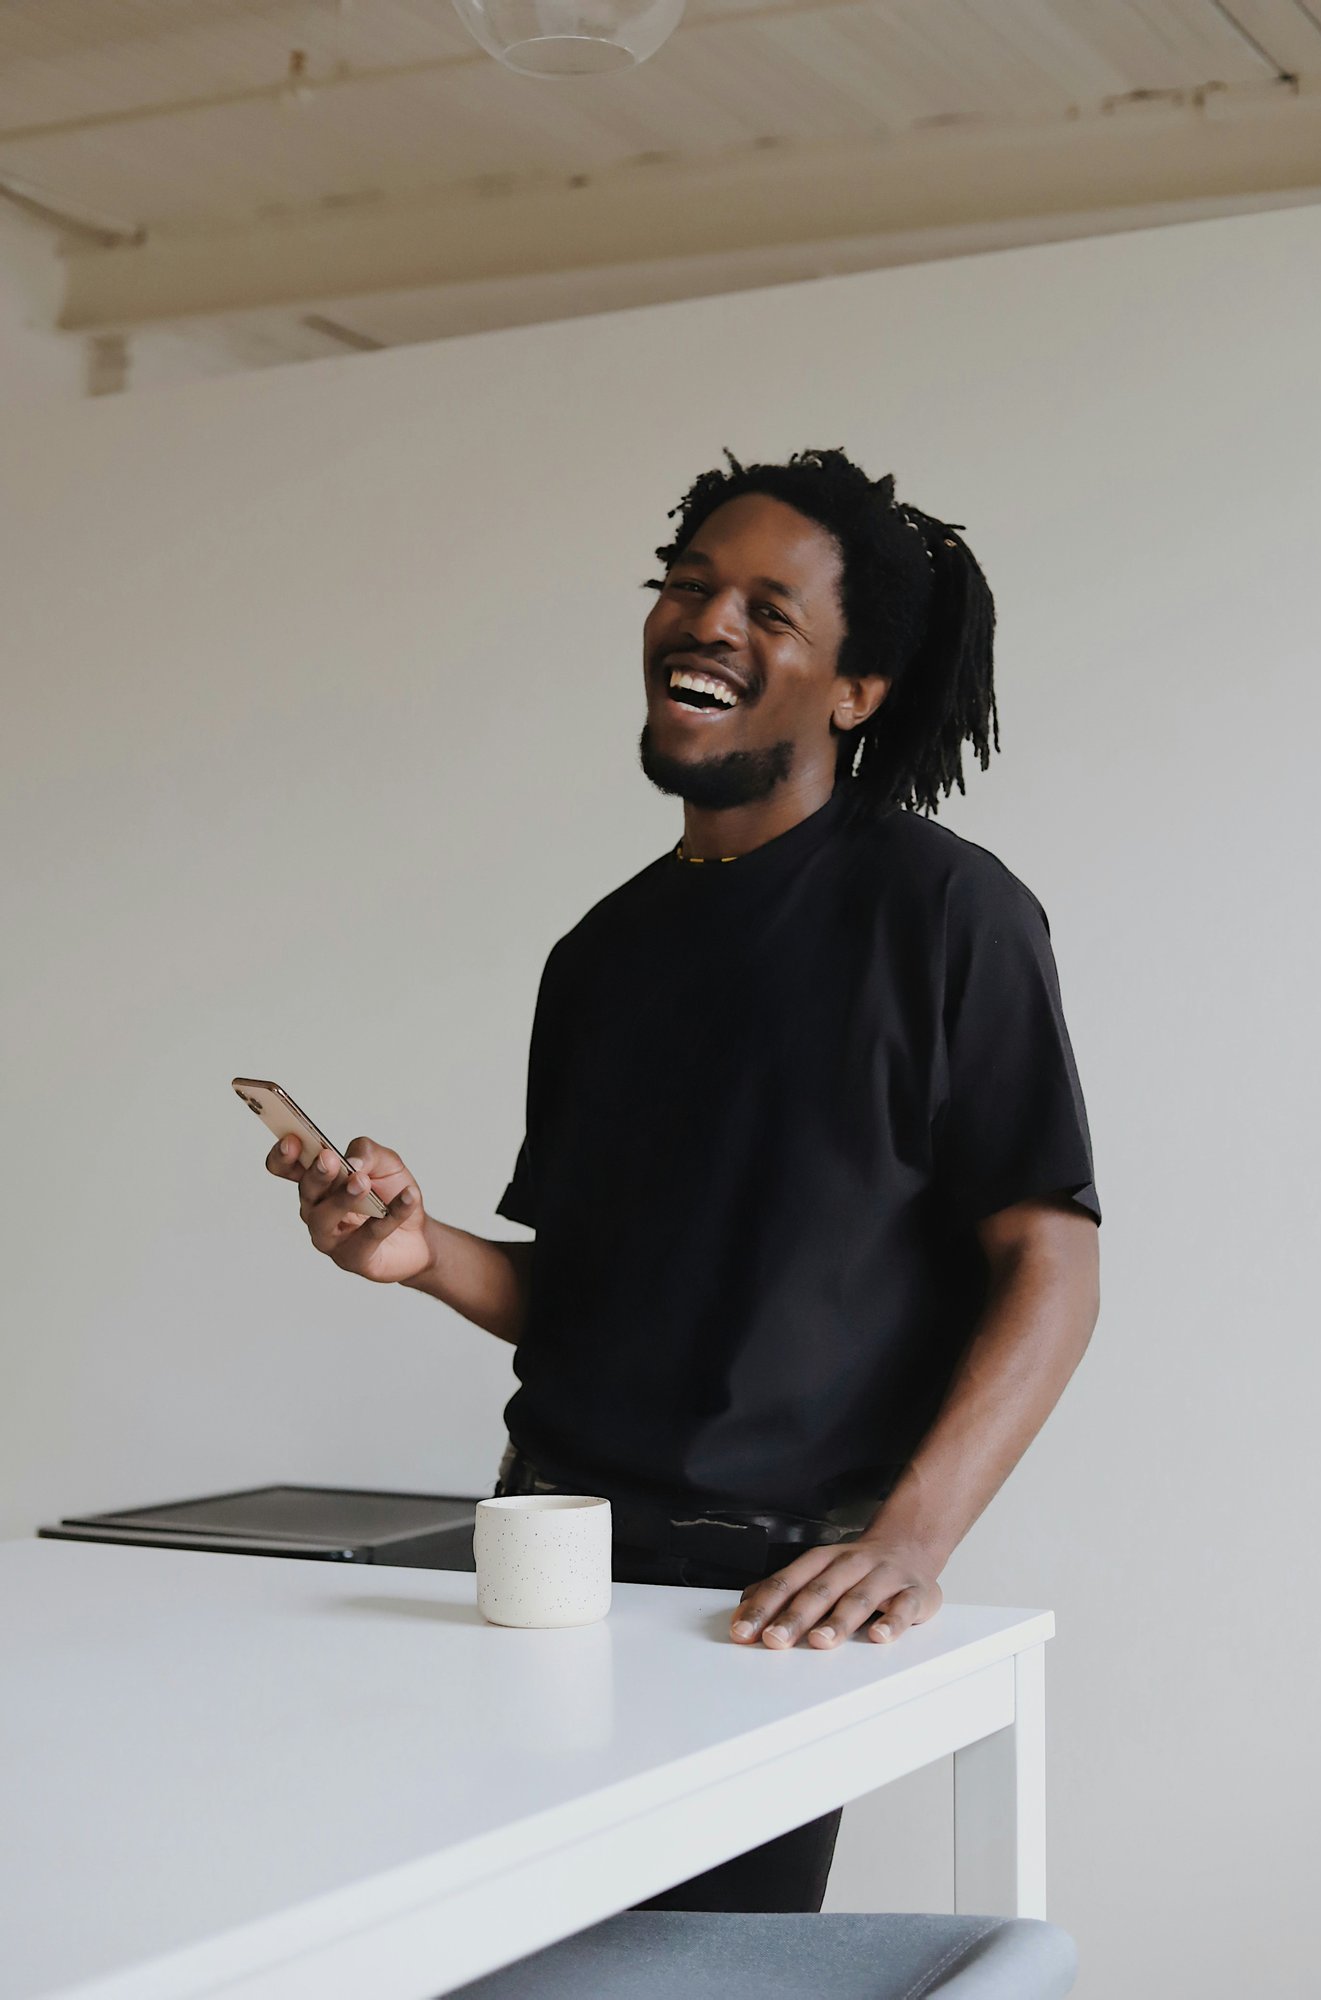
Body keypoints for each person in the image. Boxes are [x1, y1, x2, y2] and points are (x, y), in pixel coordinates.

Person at [266, 446, 1101, 1914]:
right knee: (493, 1955)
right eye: (689, 585)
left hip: (765, 1600)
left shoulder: (945, 912)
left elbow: (1052, 1260)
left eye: (771, 609)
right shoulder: (598, 955)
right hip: (543, 1557)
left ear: (855, 690)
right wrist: (420, 1250)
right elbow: (588, 1298)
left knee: (696, 1978)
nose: (707, 621)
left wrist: (911, 1539)